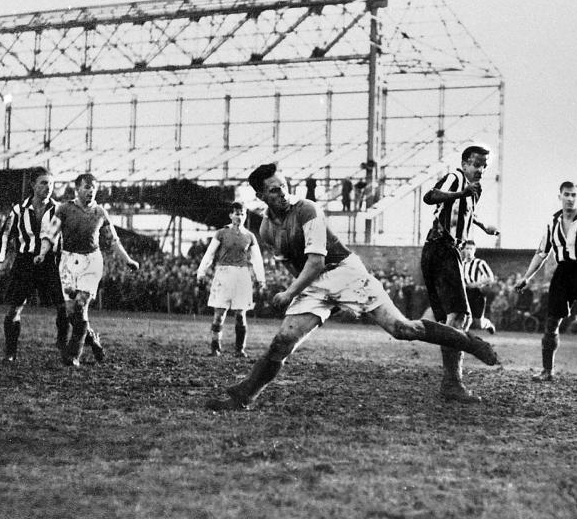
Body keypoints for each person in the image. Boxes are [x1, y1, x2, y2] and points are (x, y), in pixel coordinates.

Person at [204, 163, 499, 411]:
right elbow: (297, 266)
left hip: (346, 272)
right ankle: (244, 397)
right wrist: (308, 299)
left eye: (283, 186)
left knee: (403, 329)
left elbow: (317, 262)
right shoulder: (267, 229)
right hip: (314, 284)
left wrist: (289, 293)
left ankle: (470, 342)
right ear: (260, 195)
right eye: (273, 190)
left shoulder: (306, 209)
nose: (282, 193)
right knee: (283, 341)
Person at [420, 143, 500, 403]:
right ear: (465, 163)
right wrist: (461, 192)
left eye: (485, 166)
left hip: (441, 250)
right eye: (477, 164)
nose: (481, 170)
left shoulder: (474, 190)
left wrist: (483, 226)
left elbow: (467, 212)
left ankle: (451, 382)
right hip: (442, 248)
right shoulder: (455, 178)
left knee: (453, 319)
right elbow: (430, 196)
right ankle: (452, 383)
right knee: (460, 316)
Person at [35, 173, 140, 367]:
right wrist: (42, 253)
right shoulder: (64, 209)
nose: (90, 192)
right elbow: (51, 234)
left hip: (91, 262)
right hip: (68, 261)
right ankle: (92, 339)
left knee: (80, 306)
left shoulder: (100, 212)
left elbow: (113, 240)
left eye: (93, 189)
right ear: (77, 189)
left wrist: (128, 260)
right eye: (86, 188)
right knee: (70, 312)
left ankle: (73, 355)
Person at [515, 181, 577, 382]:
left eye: (574, 195)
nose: (570, 199)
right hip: (563, 273)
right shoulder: (552, 224)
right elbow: (541, 253)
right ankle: (547, 370)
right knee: (552, 320)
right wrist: (526, 278)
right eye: (566, 195)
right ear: (559, 196)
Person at [0, 168, 76, 362]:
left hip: (51, 263)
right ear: (33, 185)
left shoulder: (59, 210)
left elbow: (69, 237)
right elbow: (5, 234)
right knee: (15, 308)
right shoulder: (18, 210)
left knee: (63, 307)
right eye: (43, 183)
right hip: (25, 262)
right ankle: (10, 352)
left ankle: (63, 346)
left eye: (51, 184)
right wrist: (0, 260)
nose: (48, 187)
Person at [195, 201, 265, 357]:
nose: (239, 216)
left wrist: (261, 279)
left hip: (242, 275)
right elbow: (210, 254)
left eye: (242, 214)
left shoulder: (250, 236)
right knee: (219, 314)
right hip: (223, 274)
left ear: (245, 215)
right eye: (236, 213)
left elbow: (257, 259)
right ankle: (215, 348)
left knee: (241, 315)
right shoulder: (221, 233)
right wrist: (201, 272)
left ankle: (240, 349)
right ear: (230, 215)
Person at [461, 240, 497, 334]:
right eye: (467, 248)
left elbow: (490, 277)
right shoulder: (461, 264)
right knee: (464, 317)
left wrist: (475, 284)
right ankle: (463, 338)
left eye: (471, 249)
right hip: (465, 293)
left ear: (474, 250)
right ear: (463, 250)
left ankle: (488, 324)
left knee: (479, 323)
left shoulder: (479, 263)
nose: (469, 251)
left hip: (477, 293)